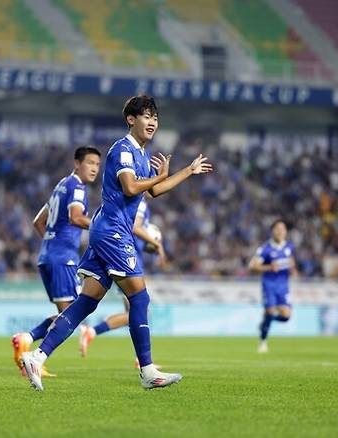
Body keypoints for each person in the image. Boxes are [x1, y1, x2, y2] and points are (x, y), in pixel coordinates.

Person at [21, 95, 213, 391]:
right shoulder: (123, 150)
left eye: (155, 118)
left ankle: (37, 355)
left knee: (85, 302)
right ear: (131, 120)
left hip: (106, 231)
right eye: (146, 116)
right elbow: (131, 186)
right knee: (140, 297)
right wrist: (156, 176)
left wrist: (186, 171)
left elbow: (154, 191)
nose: (152, 122)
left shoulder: (141, 155)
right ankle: (148, 370)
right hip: (112, 232)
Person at [11, 147, 101, 375]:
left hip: (48, 257)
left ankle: (28, 347)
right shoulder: (77, 187)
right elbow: (76, 217)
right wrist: (103, 227)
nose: (94, 168)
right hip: (63, 260)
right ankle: (29, 344)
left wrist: (53, 244)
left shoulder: (61, 185)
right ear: (77, 163)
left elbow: (37, 221)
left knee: (68, 313)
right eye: (89, 163)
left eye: (97, 165)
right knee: (72, 314)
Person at [78, 198, 166, 366]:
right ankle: (92, 332)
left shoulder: (135, 203)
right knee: (137, 311)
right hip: (125, 261)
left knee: (134, 313)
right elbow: (136, 227)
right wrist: (156, 243)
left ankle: (140, 359)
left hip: (126, 259)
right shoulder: (140, 203)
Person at [249, 220, 297, 353]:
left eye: (283, 228)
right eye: (278, 228)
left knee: (286, 316)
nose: (281, 231)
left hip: (283, 286)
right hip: (269, 285)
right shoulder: (265, 249)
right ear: (273, 231)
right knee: (270, 311)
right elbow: (253, 266)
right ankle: (263, 340)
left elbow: (291, 261)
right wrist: (269, 267)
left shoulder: (289, 247)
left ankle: (265, 321)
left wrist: (293, 269)